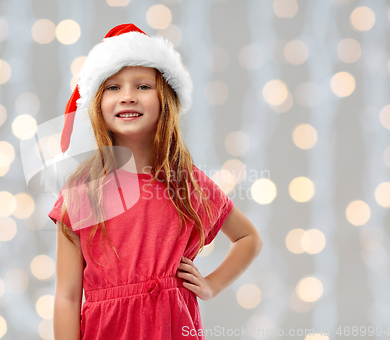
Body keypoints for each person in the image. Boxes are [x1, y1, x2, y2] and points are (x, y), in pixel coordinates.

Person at [48, 23, 263, 340]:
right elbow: (66, 296)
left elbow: (248, 239)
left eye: (143, 86)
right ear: (96, 103)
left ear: (166, 99)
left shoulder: (186, 182)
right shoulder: (82, 193)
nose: (128, 97)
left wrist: (212, 285)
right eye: (113, 87)